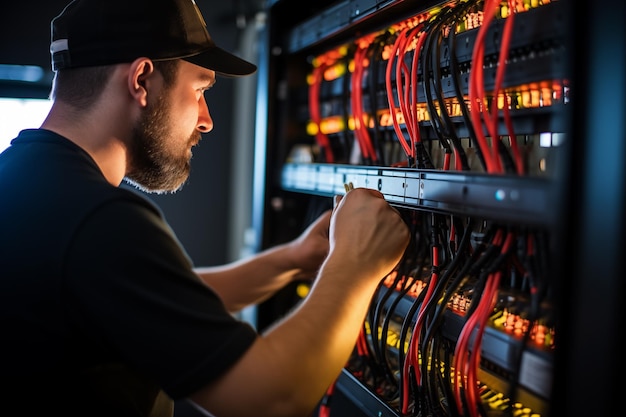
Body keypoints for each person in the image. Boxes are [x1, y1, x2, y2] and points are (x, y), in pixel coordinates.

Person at [0, 0, 410, 416]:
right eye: (199, 90)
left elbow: (150, 299)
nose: (206, 119)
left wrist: (291, 259)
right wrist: (356, 262)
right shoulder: (99, 220)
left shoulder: (24, 181)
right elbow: (271, 399)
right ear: (142, 79)